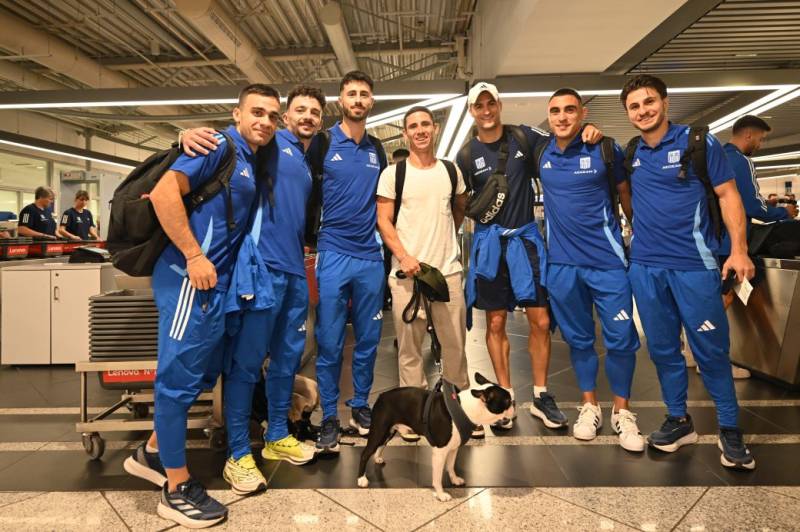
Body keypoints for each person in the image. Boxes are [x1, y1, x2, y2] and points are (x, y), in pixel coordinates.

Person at [122, 84, 280, 527]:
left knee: (201, 375)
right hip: (188, 278)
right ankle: (175, 489)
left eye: (272, 115)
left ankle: (153, 452)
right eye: (257, 112)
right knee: (176, 382)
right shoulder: (218, 146)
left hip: (215, 285)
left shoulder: (249, 156)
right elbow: (164, 194)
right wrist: (194, 255)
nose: (265, 121)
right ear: (237, 113)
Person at [180, 86, 325, 488]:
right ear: (285, 117)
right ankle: (238, 453)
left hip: (295, 270)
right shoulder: (269, 140)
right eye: (299, 110)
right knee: (245, 363)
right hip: (262, 269)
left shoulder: (305, 158)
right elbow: (235, 135)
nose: (307, 116)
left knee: (287, 359)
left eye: (315, 112)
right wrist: (186, 134)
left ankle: (277, 435)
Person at [620, 74, 756, 470]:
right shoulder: (631, 152)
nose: (643, 111)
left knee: (711, 351)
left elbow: (729, 195)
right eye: (634, 106)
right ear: (628, 114)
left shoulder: (698, 142)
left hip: (694, 266)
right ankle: (678, 420)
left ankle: (729, 429)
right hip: (646, 268)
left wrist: (739, 251)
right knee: (663, 349)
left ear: (664, 102)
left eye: (649, 102)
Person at [457, 82, 602, 432]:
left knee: (540, 321)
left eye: (491, 104)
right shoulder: (466, 155)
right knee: (495, 323)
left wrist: (588, 131)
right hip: (491, 246)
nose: (486, 110)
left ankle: (540, 395)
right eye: (479, 106)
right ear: (472, 111)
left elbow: (562, 141)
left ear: (499, 105)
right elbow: (460, 202)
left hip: (527, 243)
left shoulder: (524, 137)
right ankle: (505, 396)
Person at [539, 88, 644, 451]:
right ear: (548, 116)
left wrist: (641, 237)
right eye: (555, 111)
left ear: (582, 113)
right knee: (579, 340)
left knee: (621, 340)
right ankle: (589, 406)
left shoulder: (604, 148)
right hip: (562, 266)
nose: (562, 117)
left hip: (608, 263)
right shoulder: (541, 151)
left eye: (570, 110)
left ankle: (622, 411)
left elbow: (626, 195)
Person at [376, 106, 470, 430]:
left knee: (455, 347)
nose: (420, 130)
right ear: (405, 133)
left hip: (447, 274)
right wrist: (404, 256)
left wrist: (444, 240)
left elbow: (460, 208)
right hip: (406, 276)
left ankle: (458, 411)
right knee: (409, 350)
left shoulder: (451, 171)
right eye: (413, 126)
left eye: (425, 124)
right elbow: (383, 221)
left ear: (435, 129)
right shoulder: (393, 175)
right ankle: (414, 415)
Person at [683, 115, 798, 380]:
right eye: (760, 138)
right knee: (721, 299)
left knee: (710, 298)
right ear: (748, 134)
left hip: (707, 240)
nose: (760, 143)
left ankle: (691, 353)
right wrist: (784, 212)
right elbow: (753, 205)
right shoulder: (740, 160)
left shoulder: (713, 156)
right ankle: (708, 359)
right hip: (730, 243)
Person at [312, 71, 387, 454]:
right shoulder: (323, 142)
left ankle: (359, 404)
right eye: (352, 93)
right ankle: (328, 414)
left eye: (364, 94)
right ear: (341, 100)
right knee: (329, 340)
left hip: (370, 255)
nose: (358, 99)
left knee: (369, 338)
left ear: (371, 101)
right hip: (333, 252)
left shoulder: (378, 149)